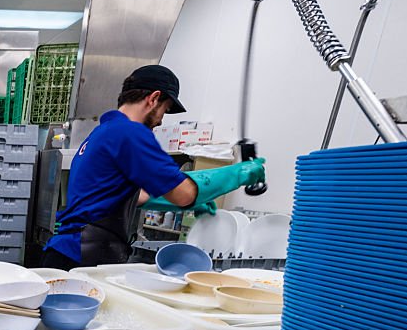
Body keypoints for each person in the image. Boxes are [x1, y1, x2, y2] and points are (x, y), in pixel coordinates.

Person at [42, 65, 265, 269]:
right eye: (164, 110)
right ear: (153, 98)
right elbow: (184, 194)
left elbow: (138, 196)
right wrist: (239, 173)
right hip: (85, 258)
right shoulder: (130, 133)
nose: (160, 121)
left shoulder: (102, 133)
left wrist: (185, 207)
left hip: (68, 254)